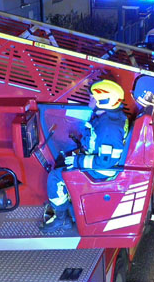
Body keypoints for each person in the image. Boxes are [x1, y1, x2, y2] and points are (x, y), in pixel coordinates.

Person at [41, 79, 130, 233]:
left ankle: (62, 219)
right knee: (63, 159)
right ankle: (68, 205)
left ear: (104, 101)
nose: (90, 100)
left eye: (93, 98)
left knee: (55, 177)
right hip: (98, 163)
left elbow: (105, 163)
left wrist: (78, 160)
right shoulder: (110, 118)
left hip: (101, 170)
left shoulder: (108, 128)